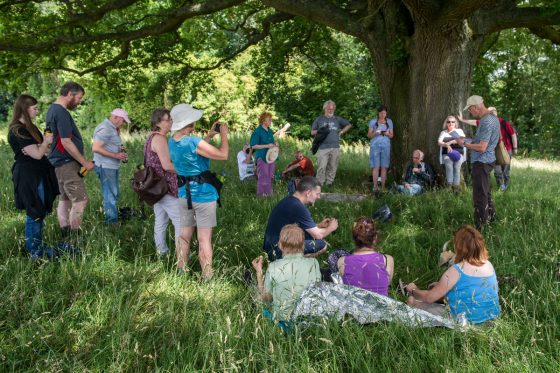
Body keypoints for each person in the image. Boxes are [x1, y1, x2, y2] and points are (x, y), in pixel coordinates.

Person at [169, 103, 229, 279]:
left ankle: (181, 271)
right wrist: (223, 136)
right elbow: (223, 155)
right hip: (203, 197)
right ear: (190, 123)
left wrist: (209, 136)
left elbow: (196, 154)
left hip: (183, 195)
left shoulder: (172, 141)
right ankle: (207, 276)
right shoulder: (194, 141)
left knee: (184, 235)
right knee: (204, 239)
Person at [405, 225, 501, 325]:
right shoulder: (488, 264)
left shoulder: (457, 270)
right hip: (491, 318)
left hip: (466, 321)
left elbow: (429, 298)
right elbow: (469, 288)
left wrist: (413, 290)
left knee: (412, 301)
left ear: (458, 247)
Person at [8, 95, 60, 260]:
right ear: (24, 108)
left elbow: (44, 150)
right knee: (35, 212)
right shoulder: (18, 130)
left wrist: (42, 144)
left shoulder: (30, 128)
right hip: (28, 175)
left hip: (38, 172)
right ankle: (35, 253)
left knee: (40, 210)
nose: (37, 111)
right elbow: (38, 154)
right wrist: (44, 142)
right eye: (34, 108)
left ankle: (38, 248)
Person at [46, 82, 93, 239]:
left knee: (64, 199)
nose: (79, 102)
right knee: (80, 200)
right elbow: (66, 141)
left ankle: (65, 235)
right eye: (78, 98)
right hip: (66, 163)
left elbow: (49, 136)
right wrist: (85, 162)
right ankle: (75, 238)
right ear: (70, 94)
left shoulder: (51, 110)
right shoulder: (61, 113)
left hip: (57, 163)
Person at [252, 224, 321, 326]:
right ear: (303, 245)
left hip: (282, 322)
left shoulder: (273, 267)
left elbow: (266, 298)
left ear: (280, 245)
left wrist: (259, 272)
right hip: (308, 321)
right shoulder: (314, 263)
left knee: (258, 300)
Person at [144, 108, 186, 262]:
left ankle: (162, 253)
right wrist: (186, 169)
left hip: (156, 187)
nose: (171, 123)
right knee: (180, 222)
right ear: (158, 123)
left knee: (161, 221)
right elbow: (167, 165)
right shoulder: (160, 138)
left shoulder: (151, 137)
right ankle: (181, 258)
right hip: (165, 187)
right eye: (168, 120)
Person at [263, 176, 338, 261]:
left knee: (311, 237)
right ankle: (290, 263)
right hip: (276, 250)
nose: (318, 197)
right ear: (308, 193)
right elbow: (318, 235)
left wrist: (319, 225)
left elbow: (299, 228)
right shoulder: (298, 207)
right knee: (322, 245)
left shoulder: (290, 200)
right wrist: (331, 227)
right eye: (317, 194)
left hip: (270, 245)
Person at [456, 96, 500, 229]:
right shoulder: (493, 118)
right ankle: (491, 220)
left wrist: (463, 143)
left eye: (470, 109)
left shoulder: (486, 121)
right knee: (485, 192)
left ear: (476, 107)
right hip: (487, 160)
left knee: (480, 196)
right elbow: (484, 142)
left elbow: (482, 147)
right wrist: (470, 140)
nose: (470, 112)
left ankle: (481, 227)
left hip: (482, 162)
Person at [459, 107, 518, 191]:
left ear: (496, 113)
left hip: (506, 149)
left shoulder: (504, 123)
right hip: (493, 150)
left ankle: (507, 185)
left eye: (493, 112)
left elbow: (513, 135)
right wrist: (462, 120)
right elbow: (474, 122)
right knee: (497, 171)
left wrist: (515, 148)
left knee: (505, 169)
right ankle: (501, 186)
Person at [337, 217, 394, 296]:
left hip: (352, 308)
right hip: (380, 307)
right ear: (375, 237)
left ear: (355, 239)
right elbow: (387, 283)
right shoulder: (387, 259)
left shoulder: (342, 261)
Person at [92, 108, 130, 224]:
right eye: (123, 121)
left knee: (114, 193)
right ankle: (111, 222)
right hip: (105, 166)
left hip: (111, 166)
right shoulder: (106, 128)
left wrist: (120, 151)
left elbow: (110, 144)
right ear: (115, 117)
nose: (123, 123)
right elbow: (96, 148)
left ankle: (112, 217)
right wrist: (116, 155)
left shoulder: (112, 128)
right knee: (110, 195)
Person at [311, 100, 352, 186]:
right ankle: (319, 184)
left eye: (332, 109)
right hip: (322, 147)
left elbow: (349, 125)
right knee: (322, 167)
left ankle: (329, 183)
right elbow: (312, 132)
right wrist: (321, 130)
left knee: (333, 166)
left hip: (335, 147)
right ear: (324, 108)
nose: (330, 110)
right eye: (329, 109)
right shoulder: (319, 119)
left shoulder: (337, 119)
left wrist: (342, 132)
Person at [367, 105, 394, 193]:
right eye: (381, 113)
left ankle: (382, 187)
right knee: (376, 166)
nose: (383, 115)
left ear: (386, 113)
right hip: (375, 147)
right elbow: (369, 135)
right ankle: (375, 187)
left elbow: (392, 135)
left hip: (386, 146)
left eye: (384, 113)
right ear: (378, 113)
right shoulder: (373, 122)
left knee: (384, 167)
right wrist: (376, 132)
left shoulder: (389, 122)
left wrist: (387, 133)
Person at [250, 112, 277, 197]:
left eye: (270, 119)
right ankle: (261, 195)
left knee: (270, 175)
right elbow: (253, 146)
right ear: (263, 121)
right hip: (262, 157)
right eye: (269, 120)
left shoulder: (270, 131)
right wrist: (266, 145)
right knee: (263, 176)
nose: (270, 121)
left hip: (271, 156)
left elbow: (271, 143)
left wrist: (275, 144)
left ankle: (268, 193)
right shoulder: (257, 131)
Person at [437, 115, 466, 191]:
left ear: (455, 123)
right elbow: (439, 142)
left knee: (457, 167)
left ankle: (456, 187)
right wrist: (445, 145)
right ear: (446, 123)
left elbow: (462, 140)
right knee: (449, 165)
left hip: (458, 153)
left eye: (453, 122)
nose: (451, 123)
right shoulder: (443, 132)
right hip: (447, 153)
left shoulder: (459, 131)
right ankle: (449, 186)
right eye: (449, 122)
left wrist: (450, 142)